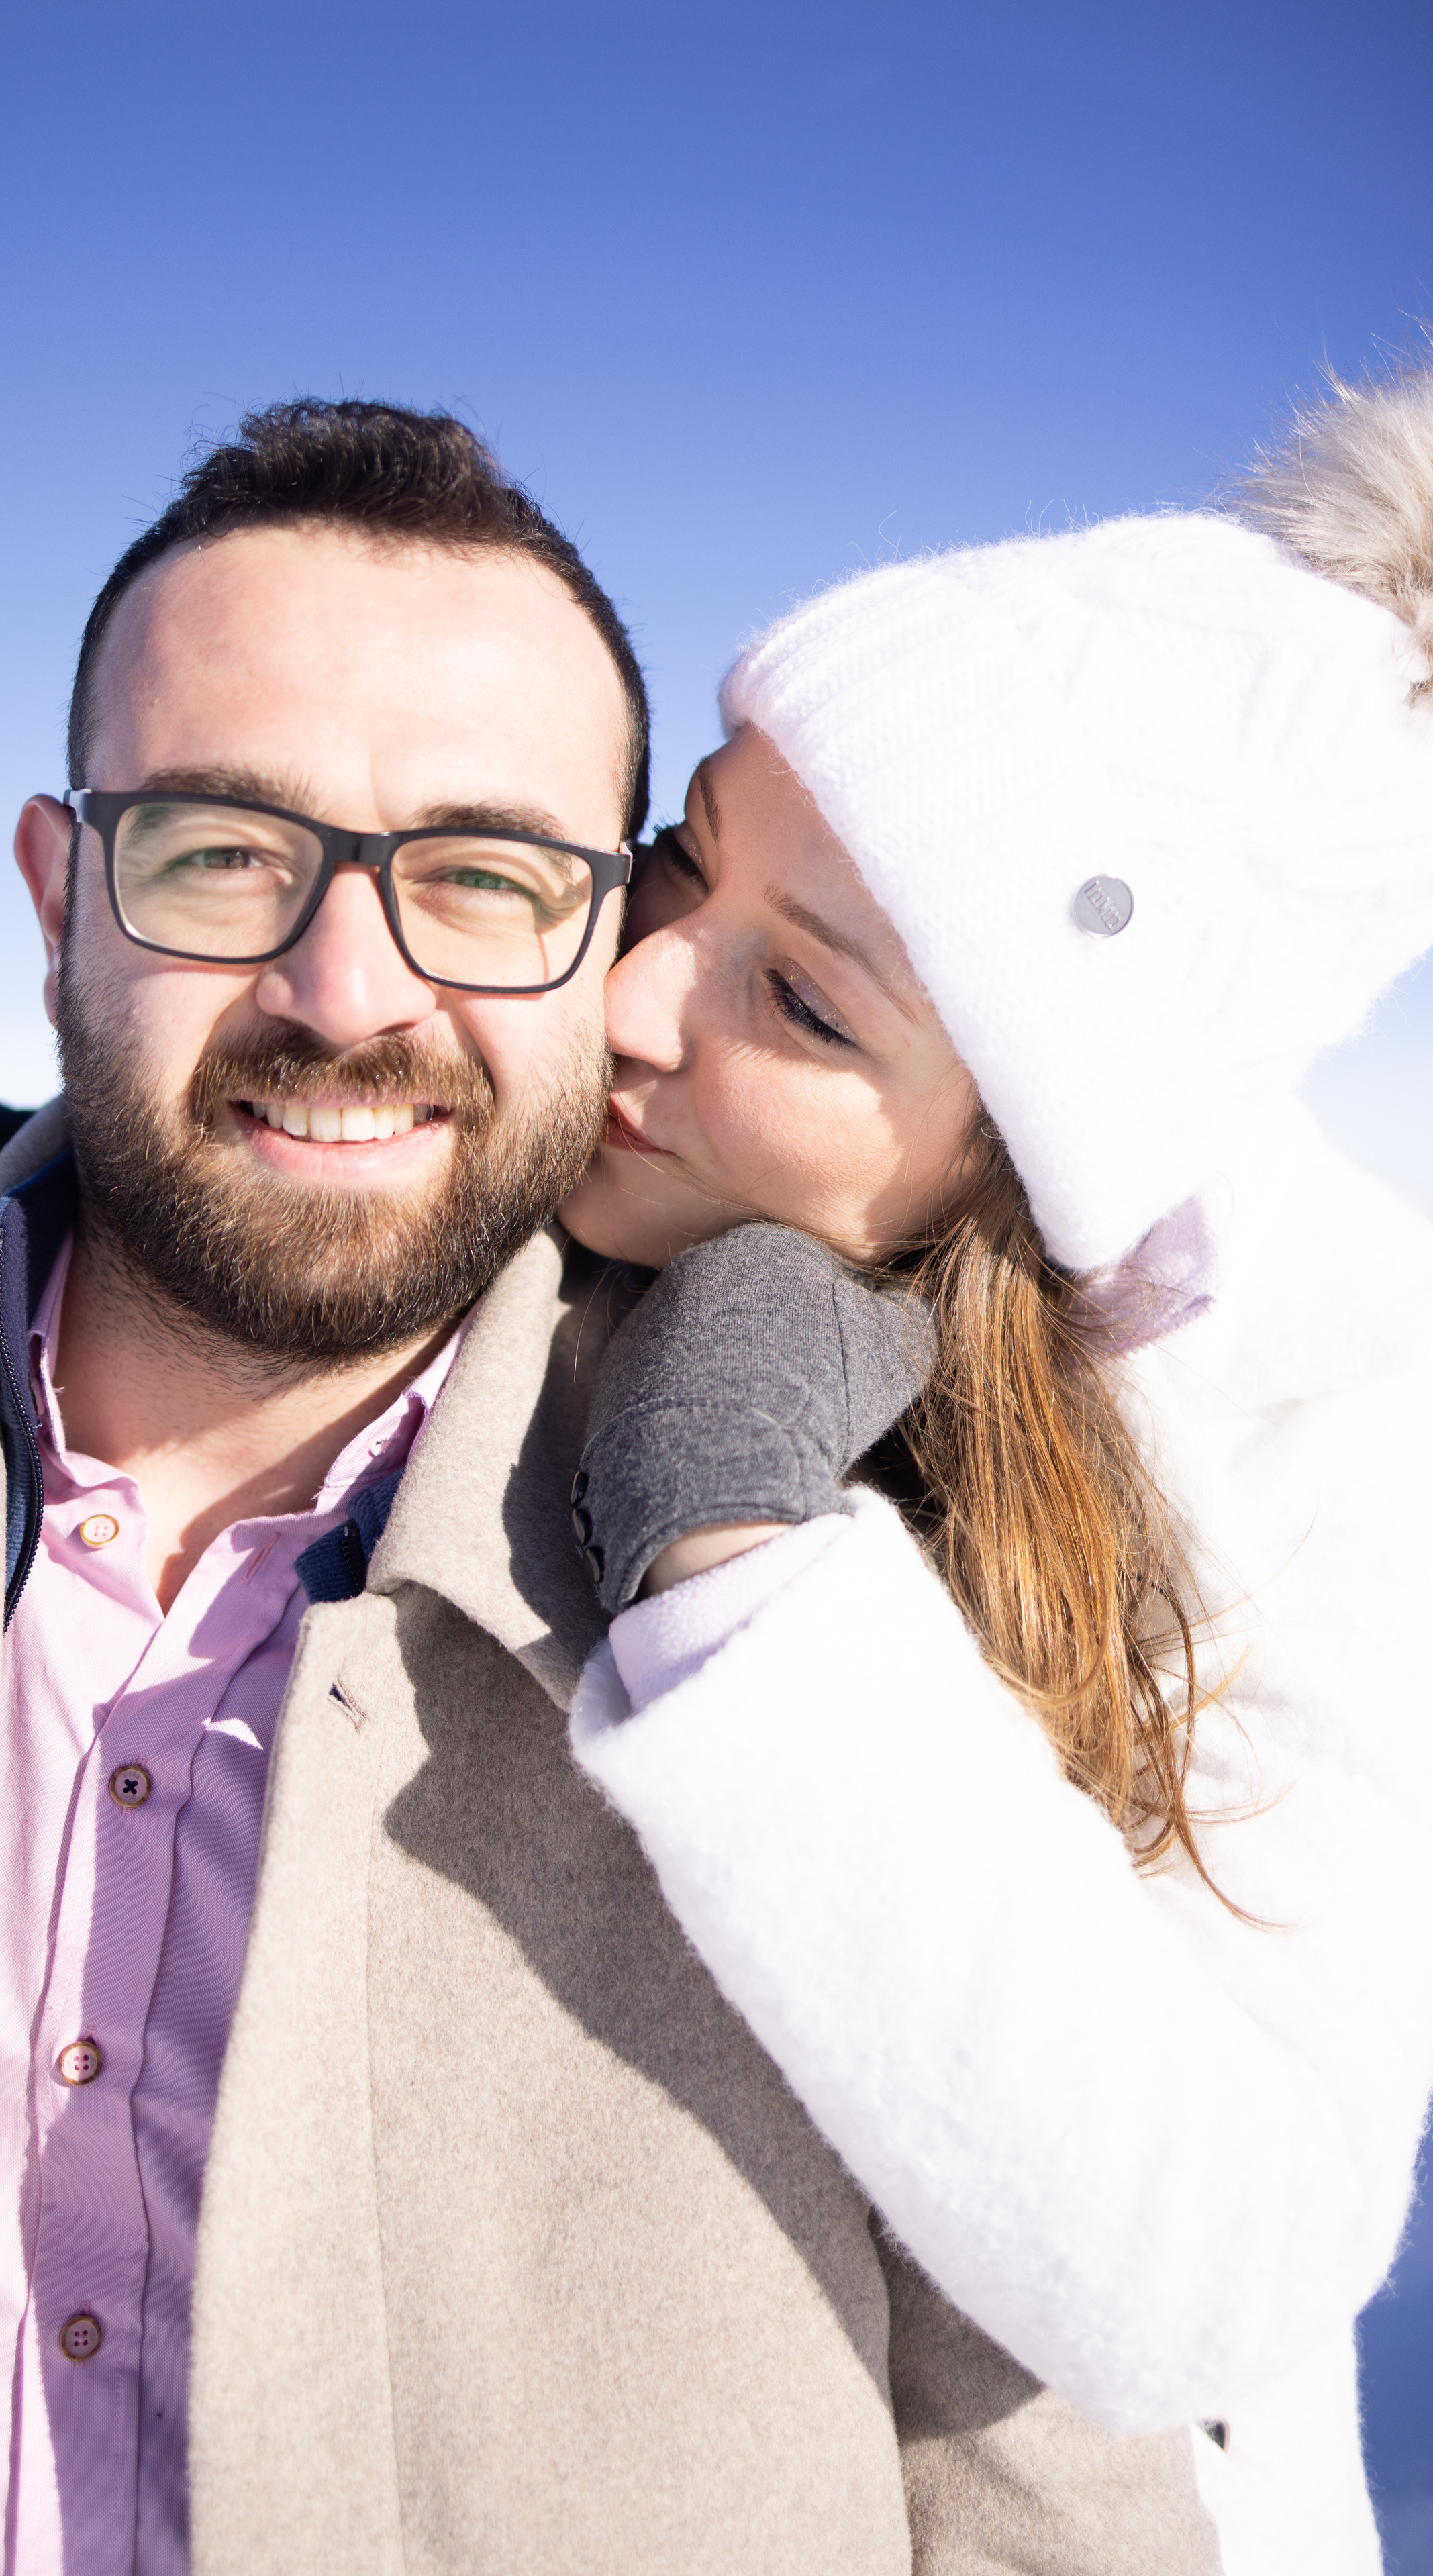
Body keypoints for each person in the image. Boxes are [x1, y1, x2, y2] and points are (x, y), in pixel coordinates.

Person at [0, 399, 1220, 2576]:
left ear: (602, 943)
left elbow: (1067, 2503)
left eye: (485, 877)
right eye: (223, 850)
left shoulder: (852, 1638)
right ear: (62, 903)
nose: (350, 992)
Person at [557, 364, 1433, 2576]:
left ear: (1012, 1177)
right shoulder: (612, 1153)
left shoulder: (1318, 1439)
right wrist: (3, 1194)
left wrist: (743, 1554)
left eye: (810, 1007)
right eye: (684, 850)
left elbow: (1218, 2264)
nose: (637, 997)